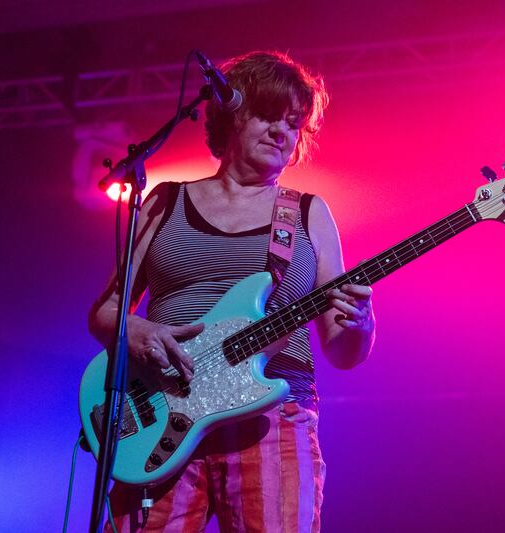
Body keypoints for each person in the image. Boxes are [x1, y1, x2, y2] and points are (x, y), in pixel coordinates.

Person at [89, 50, 375, 533]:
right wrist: (135, 330)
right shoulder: (165, 201)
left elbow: (342, 350)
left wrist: (362, 327)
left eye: (294, 123)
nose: (283, 132)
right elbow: (105, 311)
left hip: (272, 418)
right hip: (161, 413)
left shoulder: (309, 214)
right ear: (230, 114)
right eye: (267, 114)